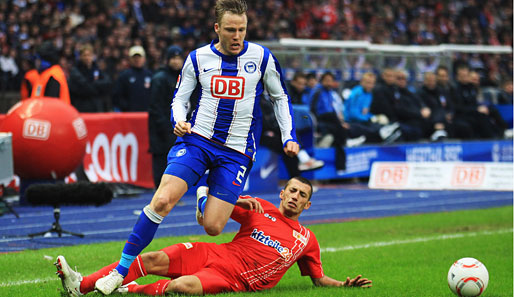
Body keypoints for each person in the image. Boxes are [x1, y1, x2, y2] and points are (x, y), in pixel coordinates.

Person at [94, 1, 299, 294]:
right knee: (162, 201)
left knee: (214, 226)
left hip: (236, 152)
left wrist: (287, 135)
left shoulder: (262, 58)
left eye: (241, 29)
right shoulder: (198, 58)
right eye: (230, 30)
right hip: (198, 140)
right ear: (217, 28)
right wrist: (179, 120)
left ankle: (203, 194)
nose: (237, 36)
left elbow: (280, 98)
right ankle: (120, 271)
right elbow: (180, 98)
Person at [55, 177, 372, 296]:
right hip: (214, 253)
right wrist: (232, 201)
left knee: (181, 288)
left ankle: (131, 290)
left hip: (234, 279)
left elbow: (317, 279)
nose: (294, 197)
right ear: (282, 192)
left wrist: (343, 285)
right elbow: (211, 214)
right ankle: (79, 286)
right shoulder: (258, 207)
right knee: (149, 258)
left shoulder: (306, 239)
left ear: (307, 204)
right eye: (291, 190)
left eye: (301, 195)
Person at [148, 45, 184, 188]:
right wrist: (166, 127)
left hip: (177, 128)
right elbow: (155, 107)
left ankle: (171, 193)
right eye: (173, 58)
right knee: (162, 161)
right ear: (167, 60)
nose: (176, 61)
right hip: (162, 130)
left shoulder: (184, 77)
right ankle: (160, 194)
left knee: (176, 163)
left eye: (179, 58)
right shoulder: (160, 78)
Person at [68, 43, 112, 112]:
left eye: (89, 55)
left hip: (97, 107)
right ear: (80, 57)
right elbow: (82, 87)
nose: (87, 58)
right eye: (84, 55)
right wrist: (98, 88)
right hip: (81, 107)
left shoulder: (97, 69)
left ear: (93, 56)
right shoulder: (75, 70)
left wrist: (94, 84)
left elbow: (108, 83)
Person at [112, 45, 153, 112]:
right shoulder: (124, 76)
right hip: (129, 115)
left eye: (139, 57)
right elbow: (117, 96)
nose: (137, 59)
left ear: (144, 59)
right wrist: (126, 107)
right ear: (130, 59)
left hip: (146, 114)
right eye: (134, 57)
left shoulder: (150, 75)